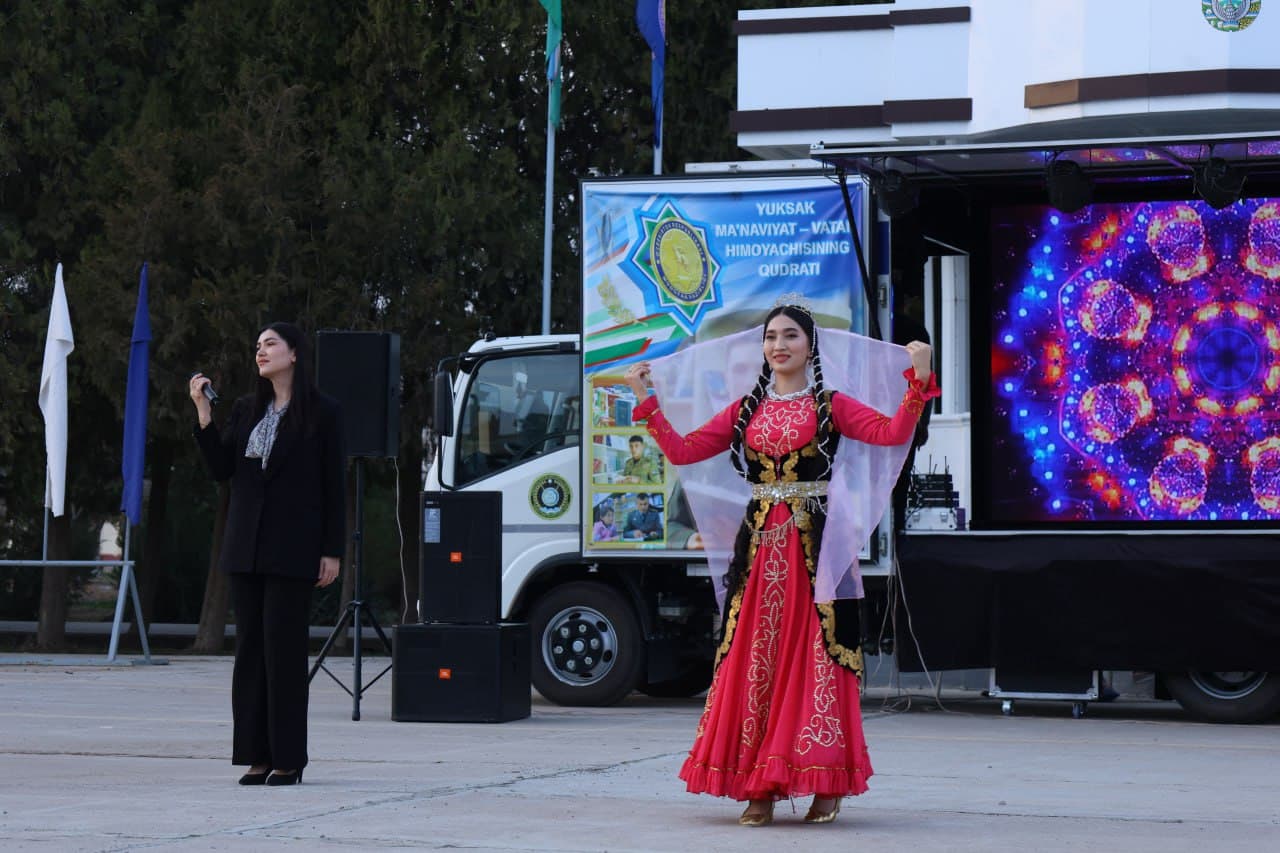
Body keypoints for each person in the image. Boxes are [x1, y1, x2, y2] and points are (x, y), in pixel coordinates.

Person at [624, 302, 937, 826]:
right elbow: (683, 451)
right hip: (760, 552)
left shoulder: (830, 405)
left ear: (811, 345)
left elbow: (891, 433)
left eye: (790, 335)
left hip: (817, 551)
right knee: (756, 658)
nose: (779, 345)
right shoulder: (747, 409)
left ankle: (824, 783)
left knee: (817, 658)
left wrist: (919, 379)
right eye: (771, 337)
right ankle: (760, 785)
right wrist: (645, 399)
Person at [189, 322, 346, 787]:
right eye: (257, 345)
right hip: (246, 548)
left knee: (284, 655)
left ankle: (288, 758)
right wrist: (203, 414)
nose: (260, 351)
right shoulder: (245, 408)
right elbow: (221, 469)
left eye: (270, 344)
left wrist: (332, 551)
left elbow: (333, 487)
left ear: (294, 353)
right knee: (250, 656)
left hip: (294, 549)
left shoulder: (324, 412)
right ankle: (256, 755)